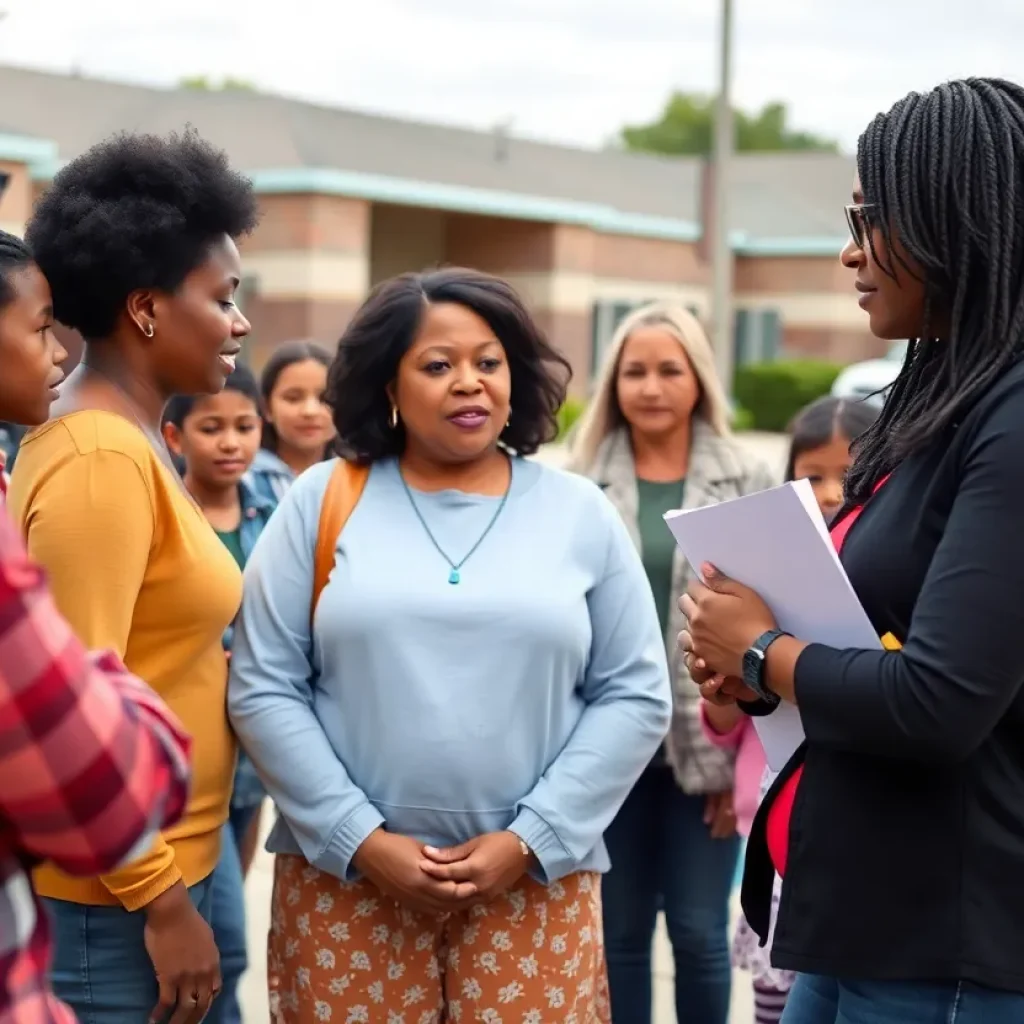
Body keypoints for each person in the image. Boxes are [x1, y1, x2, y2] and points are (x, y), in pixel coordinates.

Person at [228, 267, 672, 1023]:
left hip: (535, 887)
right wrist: (359, 838)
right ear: (389, 384)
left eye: (488, 363)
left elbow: (634, 692)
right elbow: (264, 684)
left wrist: (529, 839)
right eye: (438, 365)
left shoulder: (581, 513)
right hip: (347, 887)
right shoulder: (323, 499)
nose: (469, 383)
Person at [681, 78, 1024, 1023]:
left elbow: (940, 703)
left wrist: (763, 651)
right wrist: (755, 674)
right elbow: (877, 637)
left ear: (954, 218)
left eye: (870, 220)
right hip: (855, 917)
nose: (848, 252)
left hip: (947, 946)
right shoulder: (935, 397)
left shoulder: (1012, 416)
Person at [7, 129, 258, 1024]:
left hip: (181, 861)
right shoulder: (98, 458)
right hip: (114, 903)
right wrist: (161, 902)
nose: (241, 322)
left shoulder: (137, 440)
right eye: (224, 298)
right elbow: (70, 719)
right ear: (148, 308)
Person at [0, 228, 193, 1023]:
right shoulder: (97, 456)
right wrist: (113, 684)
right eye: (42, 327)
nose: (58, 351)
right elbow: (101, 788)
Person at [565, 301, 774, 1024]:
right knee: (618, 935)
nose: (650, 387)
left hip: (706, 744)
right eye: (634, 371)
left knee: (695, 930)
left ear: (699, 379)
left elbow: (770, 622)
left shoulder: (747, 476)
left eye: (668, 370)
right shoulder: (577, 481)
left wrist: (741, 762)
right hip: (606, 749)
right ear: (613, 383)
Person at [699, 395, 879, 1024]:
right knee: (775, 1008)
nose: (830, 492)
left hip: (852, 851)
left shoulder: (887, 581)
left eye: (848, 476)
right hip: (773, 860)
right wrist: (726, 684)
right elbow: (725, 731)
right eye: (811, 477)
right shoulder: (763, 587)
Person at [162, 364, 276, 1024]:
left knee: (227, 884)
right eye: (212, 428)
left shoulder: (272, 505)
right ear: (176, 437)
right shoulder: (171, 508)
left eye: (244, 426)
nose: (231, 442)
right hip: (192, 742)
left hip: (249, 749)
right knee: (223, 942)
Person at [247, 339, 335, 502]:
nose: (310, 411)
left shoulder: (359, 478)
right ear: (267, 407)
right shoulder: (246, 481)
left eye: (325, 398)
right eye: (293, 398)